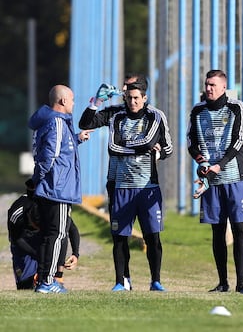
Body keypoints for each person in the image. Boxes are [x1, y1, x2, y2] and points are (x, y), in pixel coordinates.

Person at [79, 79, 173, 291]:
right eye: (126, 93)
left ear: (144, 96)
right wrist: (95, 102)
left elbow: (163, 147)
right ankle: (122, 281)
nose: (129, 98)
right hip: (120, 185)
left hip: (148, 186)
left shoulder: (155, 116)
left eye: (134, 94)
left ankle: (155, 281)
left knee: (152, 236)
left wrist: (156, 151)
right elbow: (89, 127)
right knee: (119, 236)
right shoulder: (116, 115)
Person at [187, 69, 243, 293]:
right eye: (207, 84)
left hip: (235, 176)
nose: (209, 88)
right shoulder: (197, 111)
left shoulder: (237, 107)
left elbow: (239, 139)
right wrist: (203, 163)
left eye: (213, 85)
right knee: (217, 230)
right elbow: (191, 142)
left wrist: (219, 164)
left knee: (238, 228)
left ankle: (241, 283)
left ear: (224, 87)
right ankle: (223, 282)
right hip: (211, 180)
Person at [28, 84, 92, 294]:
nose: (73, 103)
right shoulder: (56, 122)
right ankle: (48, 281)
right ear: (63, 101)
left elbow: (58, 148)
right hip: (57, 188)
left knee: (50, 234)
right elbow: (50, 156)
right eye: (72, 99)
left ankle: (43, 279)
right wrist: (42, 179)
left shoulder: (50, 122)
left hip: (51, 187)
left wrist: (76, 139)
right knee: (57, 235)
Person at [7, 180, 80, 289]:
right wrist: (39, 256)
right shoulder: (17, 212)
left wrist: (75, 254)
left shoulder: (50, 210)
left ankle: (56, 278)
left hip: (42, 243)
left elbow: (71, 229)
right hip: (23, 245)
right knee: (25, 287)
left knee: (58, 236)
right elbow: (17, 240)